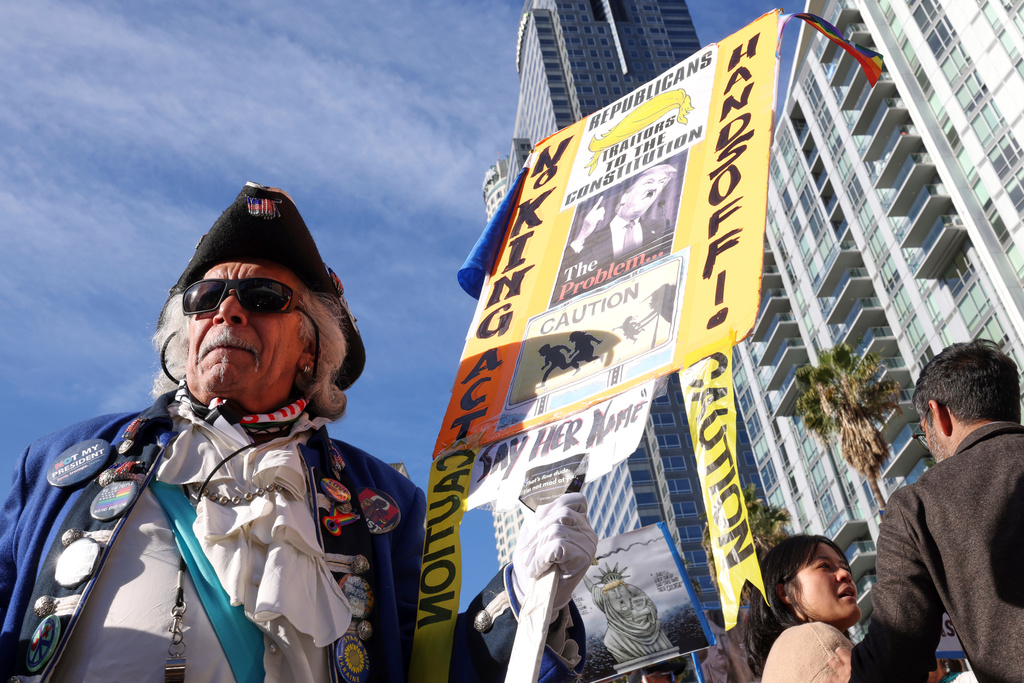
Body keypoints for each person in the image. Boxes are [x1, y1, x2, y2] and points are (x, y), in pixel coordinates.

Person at [0, 182, 598, 682]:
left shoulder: (385, 501)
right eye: (207, 297)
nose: (227, 312)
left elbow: (433, 667)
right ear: (185, 338)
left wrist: (521, 598)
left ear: (311, 349)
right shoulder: (66, 463)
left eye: (262, 297)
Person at [827, 339, 1024, 682]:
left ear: (939, 414)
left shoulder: (919, 505)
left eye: (924, 432)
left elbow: (895, 660)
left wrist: (859, 672)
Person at [743, 535, 860, 683]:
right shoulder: (815, 637)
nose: (845, 574)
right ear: (785, 592)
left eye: (844, 567)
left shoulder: (782, 657)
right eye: (824, 566)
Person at [565, 164, 678, 265]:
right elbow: (560, 273)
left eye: (660, 184)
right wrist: (582, 235)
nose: (654, 188)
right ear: (625, 197)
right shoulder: (591, 240)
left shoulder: (660, 227)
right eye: (649, 182)